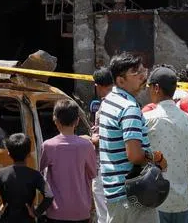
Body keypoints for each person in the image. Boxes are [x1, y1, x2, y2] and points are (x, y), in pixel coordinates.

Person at [97, 52, 164, 223]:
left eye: (143, 70)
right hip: (134, 197)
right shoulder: (129, 108)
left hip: (114, 194)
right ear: (120, 80)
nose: (143, 76)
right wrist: (156, 159)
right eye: (136, 73)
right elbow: (134, 155)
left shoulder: (109, 101)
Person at [143, 67, 188, 223]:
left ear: (156, 88)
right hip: (183, 199)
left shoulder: (147, 119)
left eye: (149, 87)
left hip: (156, 200)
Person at [39, 100, 97, 223]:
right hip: (81, 210)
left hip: (56, 211)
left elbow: (40, 172)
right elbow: (92, 174)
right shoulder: (87, 146)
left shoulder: (48, 145)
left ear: (55, 121)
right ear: (77, 121)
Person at [0, 133, 52, 223]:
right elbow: (49, 196)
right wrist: (36, 213)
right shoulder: (35, 175)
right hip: (27, 220)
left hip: (7, 219)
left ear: (9, 153)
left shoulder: (1, 173)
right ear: (29, 154)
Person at [91, 67, 115, 223]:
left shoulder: (106, 106)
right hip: (120, 166)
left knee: (103, 214)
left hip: (105, 166)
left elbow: (104, 138)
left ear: (97, 85)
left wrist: (92, 139)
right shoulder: (124, 101)